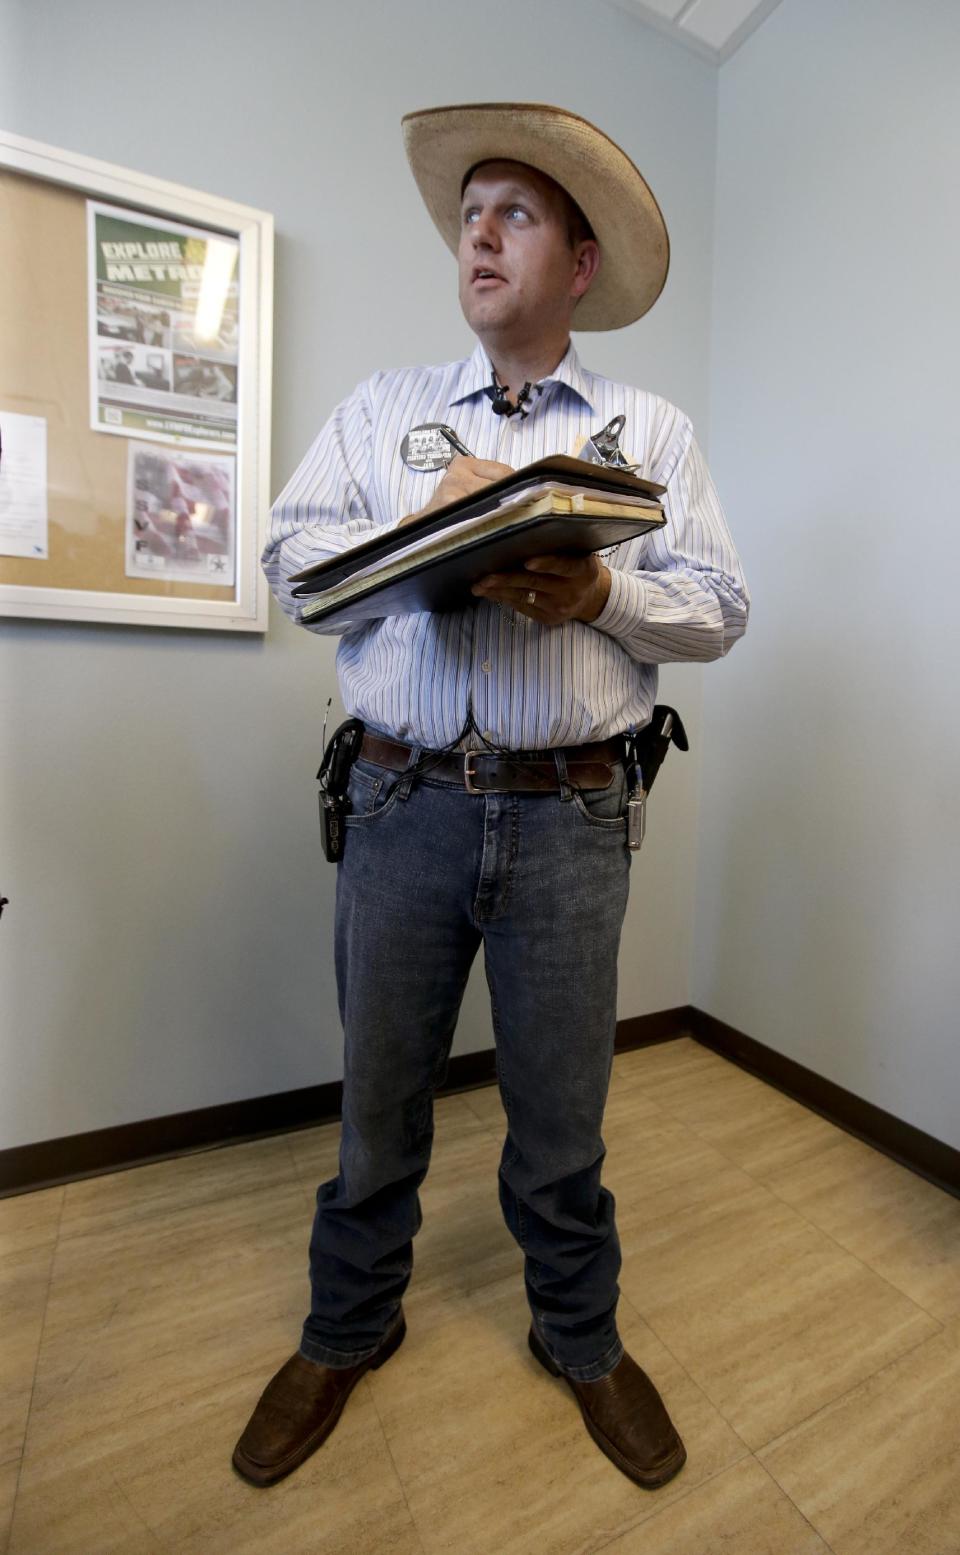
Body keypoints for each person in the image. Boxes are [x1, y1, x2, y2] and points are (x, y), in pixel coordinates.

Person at [234, 102, 749, 1494]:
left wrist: (600, 589)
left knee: (564, 1114)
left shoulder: (652, 430)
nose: (480, 231)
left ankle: (582, 1339)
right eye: (472, 212)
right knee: (379, 1099)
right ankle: (346, 1327)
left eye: (516, 212)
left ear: (579, 266)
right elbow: (290, 565)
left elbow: (717, 612)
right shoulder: (378, 413)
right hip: (402, 806)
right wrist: (426, 541)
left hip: (575, 813)